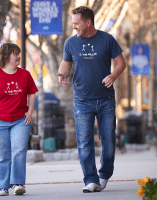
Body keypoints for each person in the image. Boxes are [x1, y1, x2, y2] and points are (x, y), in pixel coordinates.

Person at [57, 6, 126, 193]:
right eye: (72, 24)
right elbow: (66, 63)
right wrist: (62, 74)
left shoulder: (107, 39)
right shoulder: (71, 43)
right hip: (82, 100)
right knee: (84, 142)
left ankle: (104, 174)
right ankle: (91, 179)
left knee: (108, 141)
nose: (74, 27)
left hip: (106, 100)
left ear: (88, 23)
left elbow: (121, 62)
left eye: (77, 23)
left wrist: (113, 76)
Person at [0, 43, 38, 196]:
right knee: (2, 154)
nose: (18, 56)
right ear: (5, 56)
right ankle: (3, 186)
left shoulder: (25, 74)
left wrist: (30, 111)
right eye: (15, 53)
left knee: (19, 150)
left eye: (19, 53)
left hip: (20, 120)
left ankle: (18, 183)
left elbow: (32, 93)